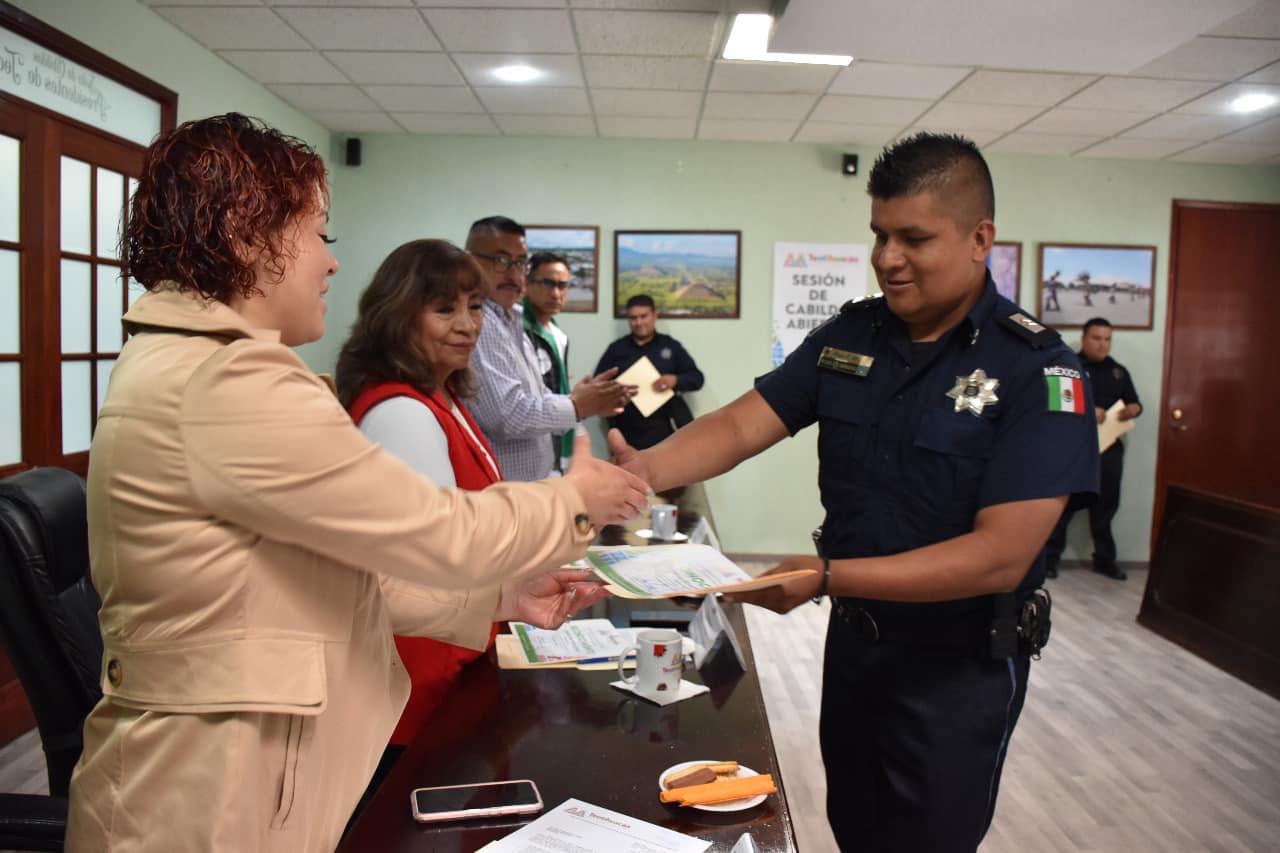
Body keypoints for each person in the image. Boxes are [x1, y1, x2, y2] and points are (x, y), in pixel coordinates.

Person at [65, 114, 647, 853]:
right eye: (318, 234)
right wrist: (574, 500)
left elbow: (327, 575)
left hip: (224, 781)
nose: (330, 263)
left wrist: (497, 597)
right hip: (209, 803)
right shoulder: (227, 379)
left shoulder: (189, 364)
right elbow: (435, 533)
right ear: (250, 236)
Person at [609, 133, 1098, 852]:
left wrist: (827, 576)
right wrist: (638, 471)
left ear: (979, 238)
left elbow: (1001, 556)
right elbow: (745, 422)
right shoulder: (853, 335)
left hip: (956, 670)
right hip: (857, 649)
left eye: (913, 237)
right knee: (856, 832)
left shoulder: (1039, 373)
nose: (887, 257)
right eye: (879, 235)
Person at [467, 216, 633, 480]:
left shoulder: (512, 318)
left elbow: (536, 393)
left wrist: (581, 399)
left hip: (538, 478)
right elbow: (507, 416)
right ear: (471, 262)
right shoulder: (479, 321)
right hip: (503, 490)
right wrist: (577, 406)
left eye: (520, 262)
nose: (513, 272)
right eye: (500, 260)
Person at [1044, 316, 1141, 581]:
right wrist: (1088, 411)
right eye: (1097, 339)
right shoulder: (1065, 366)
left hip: (1109, 448)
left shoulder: (1118, 371)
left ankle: (1105, 560)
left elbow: (1134, 403)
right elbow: (1056, 404)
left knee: (1106, 507)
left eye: (1107, 339)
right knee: (1062, 507)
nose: (1102, 345)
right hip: (1074, 448)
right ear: (1084, 338)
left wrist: (1134, 409)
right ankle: (1049, 561)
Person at [595, 295, 705, 450]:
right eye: (633, 318)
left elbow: (697, 378)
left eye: (643, 316)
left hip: (666, 428)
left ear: (655, 316)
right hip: (626, 429)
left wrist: (675, 380)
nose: (639, 322)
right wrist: (615, 392)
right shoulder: (616, 349)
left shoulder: (671, 346)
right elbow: (598, 384)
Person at [523, 251, 574, 472]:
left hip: (558, 433)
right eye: (548, 284)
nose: (556, 293)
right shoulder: (516, 329)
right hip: (527, 442)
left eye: (562, 286)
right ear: (527, 283)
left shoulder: (557, 333)